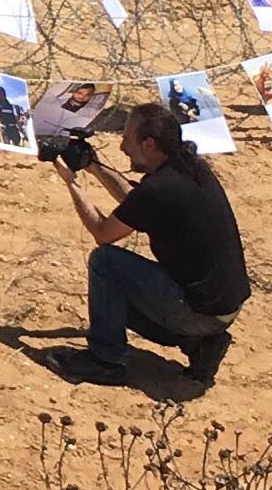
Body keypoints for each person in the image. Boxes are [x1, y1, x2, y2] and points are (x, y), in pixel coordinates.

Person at [52, 99, 249, 390]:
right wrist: (94, 168)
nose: (121, 147)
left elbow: (102, 233)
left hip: (197, 311)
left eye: (127, 139)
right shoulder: (189, 169)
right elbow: (138, 201)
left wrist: (72, 183)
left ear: (149, 144)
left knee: (106, 263)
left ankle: (106, 361)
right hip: (221, 306)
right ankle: (199, 344)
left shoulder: (160, 189)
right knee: (120, 293)